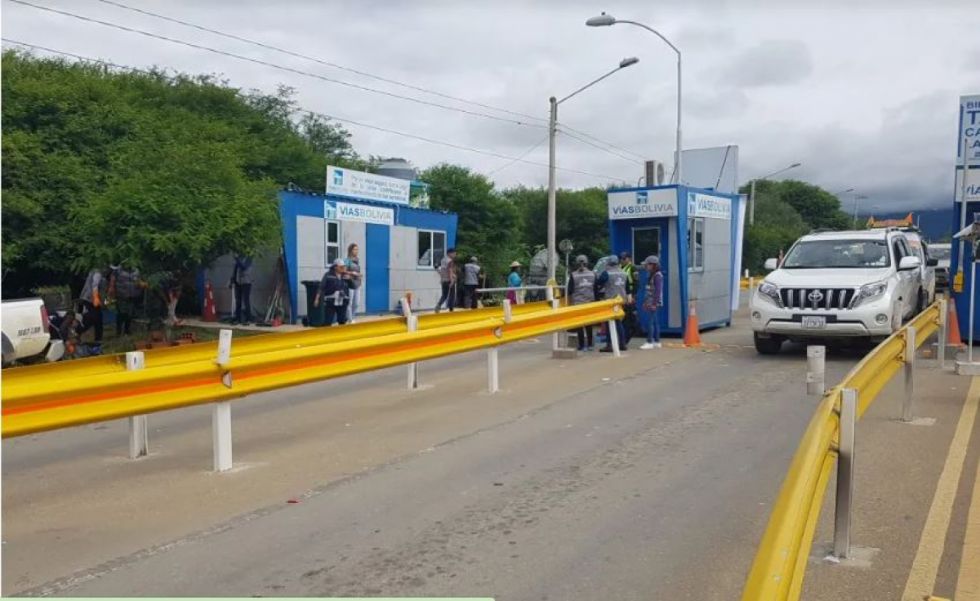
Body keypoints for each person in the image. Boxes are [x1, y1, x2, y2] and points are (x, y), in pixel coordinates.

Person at [596, 255, 629, 353]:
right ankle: (622, 344)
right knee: (618, 322)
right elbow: (627, 287)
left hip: (611, 301)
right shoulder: (624, 273)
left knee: (609, 323)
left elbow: (598, 283)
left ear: (609, 263)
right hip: (621, 300)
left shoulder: (607, 273)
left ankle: (610, 345)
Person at [567, 254, 596, 351]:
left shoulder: (573, 275)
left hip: (578, 304)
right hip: (590, 303)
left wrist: (569, 304)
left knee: (580, 325)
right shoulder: (592, 274)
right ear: (587, 263)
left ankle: (582, 345)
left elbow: (570, 291)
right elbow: (595, 289)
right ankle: (590, 345)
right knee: (589, 324)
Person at [313, 258, 349, 326]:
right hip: (330, 301)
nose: (343, 268)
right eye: (341, 267)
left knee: (342, 321)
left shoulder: (345, 275)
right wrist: (316, 299)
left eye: (343, 267)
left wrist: (350, 279)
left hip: (342, 301)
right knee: (328, 321)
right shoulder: (328, 275)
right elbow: (321, 287)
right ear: (335, 267)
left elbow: (353, 286)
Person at [110, 263, 141, 336]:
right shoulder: (118, 270)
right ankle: (119, 331)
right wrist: (112, 291)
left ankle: (127, 330)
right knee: (121, 313)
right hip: (121, 295)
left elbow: (138, 282)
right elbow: (112, 281)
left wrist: (140, 285)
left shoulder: (136, 271)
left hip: (132, 295)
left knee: (129, 313)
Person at [640, 255, 664, 350]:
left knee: (650, 322)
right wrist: (646, 301)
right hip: (651, 301)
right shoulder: (652, 275)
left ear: (653, 265)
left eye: (647, 265)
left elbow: (658, 291)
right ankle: (657, 341)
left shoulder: (657, 276)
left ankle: (649, 341)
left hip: (653, 302)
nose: (646, 266)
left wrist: (654, 303)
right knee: (655, 321)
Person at [78, 267, 106, 345]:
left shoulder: (94, 272)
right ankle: (78, 331)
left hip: (90, 299)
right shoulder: (97, 273)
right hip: (91, 299)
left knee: (98, 319)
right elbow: (95, 286)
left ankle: (98, 339)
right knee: (92, 318)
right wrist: (96, 298)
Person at [620, 251, 637, 346]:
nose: (622, 260)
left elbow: (636, 283)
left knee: (629, 319)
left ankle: (625, 339)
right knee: (624, 319)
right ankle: (623, 339)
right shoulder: (621, 268)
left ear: (629, 259)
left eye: (624, 258)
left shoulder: (632, 268)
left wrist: (633, 296)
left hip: (630, 297)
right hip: (623, 296)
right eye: (621, 258)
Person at [230, 254, 253, 325]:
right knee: (238, 301)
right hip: (238, 282)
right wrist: (232, 281)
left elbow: (243, 267)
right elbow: (235, 270)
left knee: (246, 301)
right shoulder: (239, 258)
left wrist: (237, 259)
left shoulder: (249, 258)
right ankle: (238, 318)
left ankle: (248, 319)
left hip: (246, 282)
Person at [344, 243, 363, 323]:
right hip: (350, 283)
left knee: (356, 303)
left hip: (357, 283)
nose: (356, 251)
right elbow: (344, 271)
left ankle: (351, 317)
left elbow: (357, 271)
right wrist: (352, 273)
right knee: (350, 302)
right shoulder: (347, 260)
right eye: (355, 249)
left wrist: (359, 275)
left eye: (357, 249)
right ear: (351, 250)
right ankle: (350, 319)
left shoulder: (357, 260)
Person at [435, 248, 458, 313]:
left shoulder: (443, 260)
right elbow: (450, 270)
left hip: (444, 280)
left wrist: (442, 278)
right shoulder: (450, 261)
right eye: (454, 254)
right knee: (452, 295)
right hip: (449, 280)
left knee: (444, 295)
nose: (455, 255)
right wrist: (451, 280)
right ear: (450, 253)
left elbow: (441, 270)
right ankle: (451, 310)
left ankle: (438, 305)